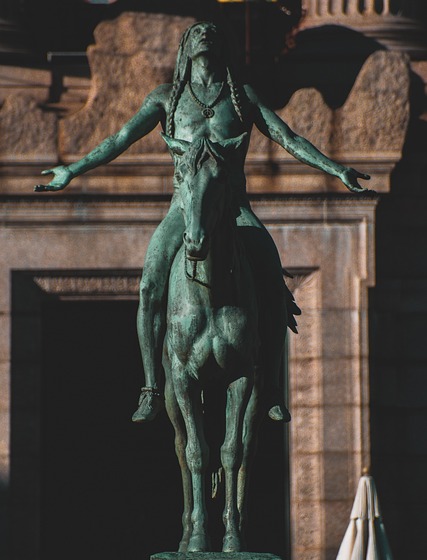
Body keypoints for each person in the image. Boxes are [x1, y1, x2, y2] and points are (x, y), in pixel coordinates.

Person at [35, 21, 371, 423]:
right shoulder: (166, 100)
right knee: (149, 286)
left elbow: (289, 137)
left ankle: (275, 390)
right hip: (183, 209)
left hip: (234, 209)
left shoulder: (242, 97)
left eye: (212, 31)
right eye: (197, 32)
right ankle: (150, 389)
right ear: (185, 48)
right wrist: (72, 169)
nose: (205, 33)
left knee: (272, 282)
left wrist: (336, 170)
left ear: (222, 45)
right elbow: (120, 139)